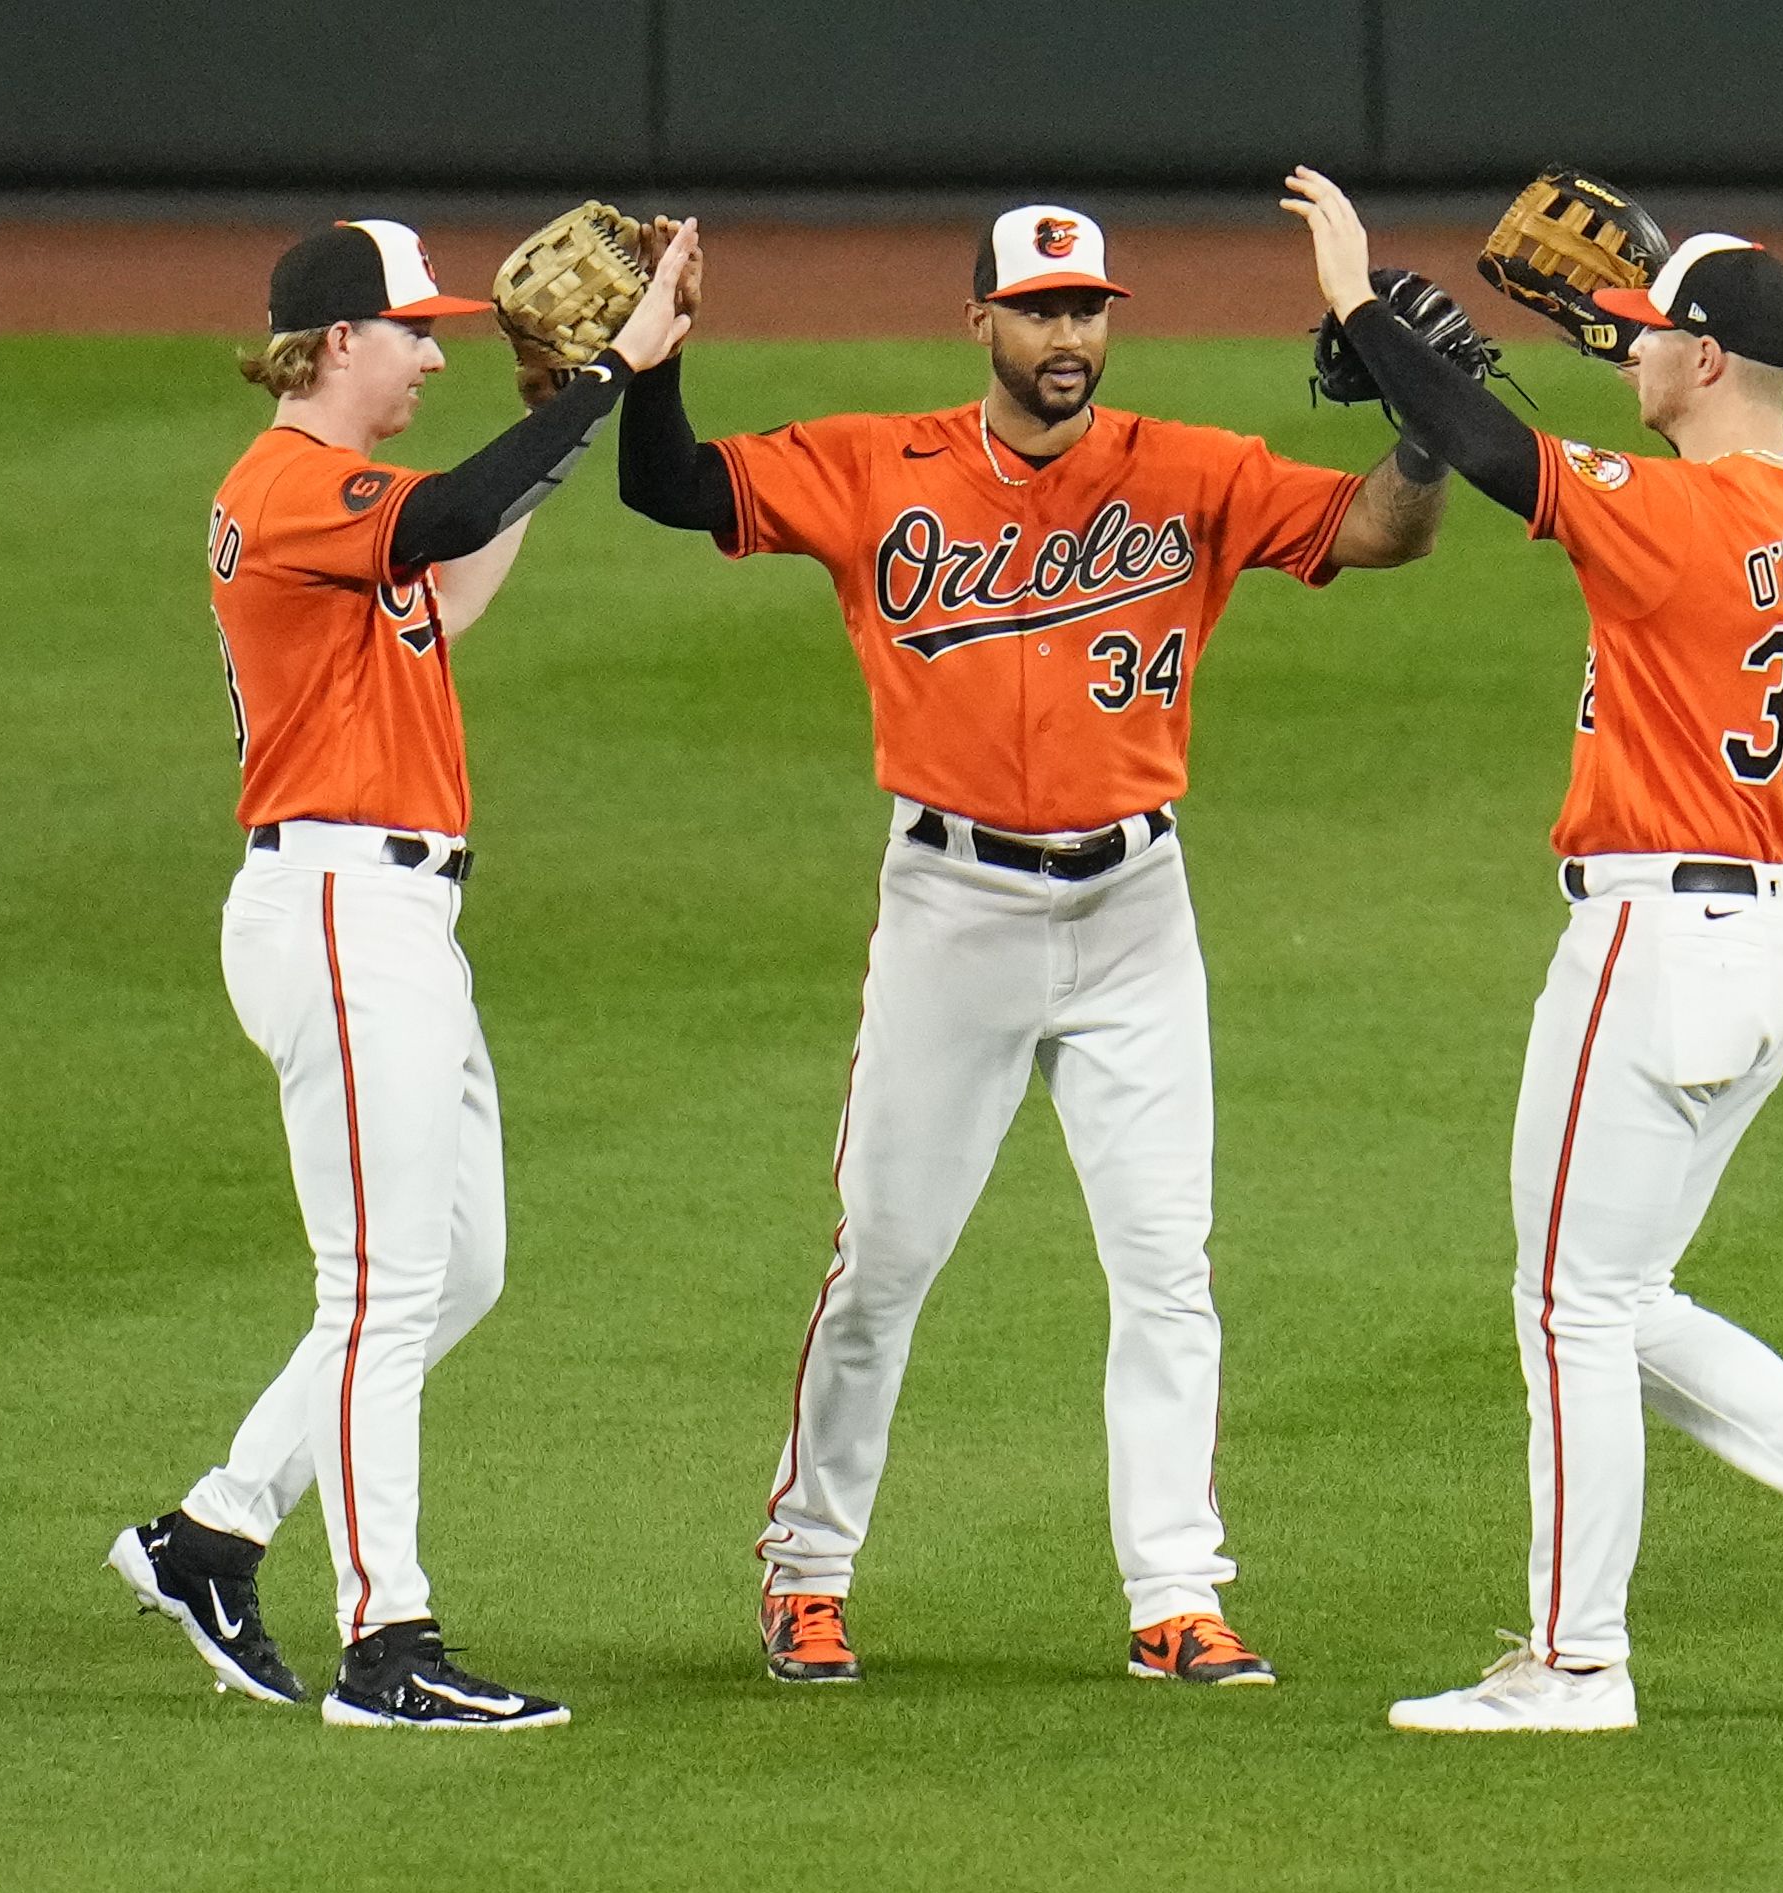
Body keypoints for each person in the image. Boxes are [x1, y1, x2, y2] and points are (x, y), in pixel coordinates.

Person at [618, 204, 1446, 1686]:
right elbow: (671, 489)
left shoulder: (1191, 470)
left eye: (1089, 309)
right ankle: (806, 1572)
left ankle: (1175, 1594)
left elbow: (1379, 528)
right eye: (1041, 309)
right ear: (980, 319)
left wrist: (1429, 428)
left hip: (1139, 913)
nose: (1069, 337)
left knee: (1166, 1263)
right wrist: (657, 362)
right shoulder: (881, 462)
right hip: (954, 912)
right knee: (884, 1259)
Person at [1280, 168, 1783, 1733]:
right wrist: (1478, 368)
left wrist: (1351, 300)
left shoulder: (1680, 516)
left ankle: (1575, 1662)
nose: (1628, 349)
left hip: (1653, 947)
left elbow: (1492, 454)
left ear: (1713, 361)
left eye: (1654, 335)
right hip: (1759, 951)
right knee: (1615, 1291)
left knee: (1566, 1306)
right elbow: (1555, 435)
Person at [106, 215, 698, 1731]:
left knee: (459, 1268)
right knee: (379, 1285)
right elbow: (440, 520)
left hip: (394, 916)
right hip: (335, 908)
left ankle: (216, 1531)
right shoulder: (290, 484)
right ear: (333, 343)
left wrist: (558, 414)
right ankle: (388, 1644)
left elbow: (459, 569)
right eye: (414, 330)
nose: (437, 350)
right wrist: (609, 378)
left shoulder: (344, 507)